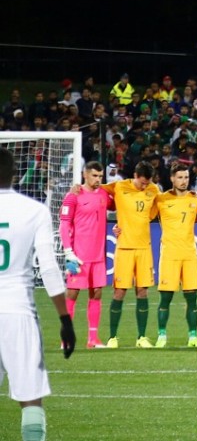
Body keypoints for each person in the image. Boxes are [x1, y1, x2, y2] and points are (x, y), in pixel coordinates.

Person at [0, 148, 76, 441]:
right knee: (30, 399)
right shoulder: (34, 210)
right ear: (15, 175)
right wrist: (65, 319)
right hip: (19, 314)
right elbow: (48, 267)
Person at [101, 161, 160, 348]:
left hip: (144, 248)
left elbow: (164, 204)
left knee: (142, 291)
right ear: (135, 175)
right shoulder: (119, 186)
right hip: (124, 248)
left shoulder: (154, 190)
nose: (144, 186)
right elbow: (96, 189)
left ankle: (141, 337)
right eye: (142, 182)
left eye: (147, 183)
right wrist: (78, 187)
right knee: (120, 291)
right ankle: (112, 337)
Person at [151, 162, 197, 348]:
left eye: (186, 178)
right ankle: (161, 336)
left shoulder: (195, 199)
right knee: (165, 298)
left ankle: (193, 337)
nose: (184, 181)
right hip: (169, 255)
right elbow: (144, 218)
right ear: (172, 179)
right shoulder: (161, 199)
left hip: (189, 255)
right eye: (180, 177)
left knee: (191, 298)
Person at [58, 161, 112, 349]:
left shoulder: (105, 194)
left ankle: (93, 339)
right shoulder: (74, 196)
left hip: (98, 256)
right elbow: (64, 224)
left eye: (100, 176)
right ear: (85, 175)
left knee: (96, 294)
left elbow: (119, 201)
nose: (98, 179)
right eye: (94, 175)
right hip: (79, 255)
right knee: (72, 294)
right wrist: (68, 251)